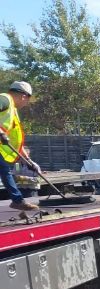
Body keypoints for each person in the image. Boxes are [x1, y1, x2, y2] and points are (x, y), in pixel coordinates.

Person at [0, 81, 39, 214]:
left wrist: (28, 161)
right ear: (23, 96)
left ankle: (17, 201)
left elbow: (16, 141)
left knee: (4, 170)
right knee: (4, 170)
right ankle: (17, 201)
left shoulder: (13, 111)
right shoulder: (5, 99)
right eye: (27, 99)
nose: (26, 103)